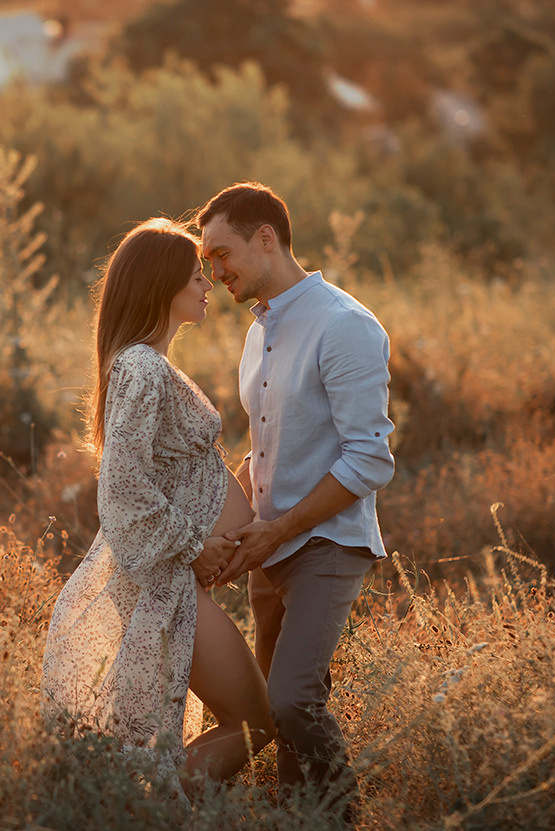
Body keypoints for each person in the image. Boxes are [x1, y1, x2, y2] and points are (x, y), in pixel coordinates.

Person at [42, 217, 274, 801]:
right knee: (253, 724)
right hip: (168, 585)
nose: (208, 284)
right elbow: (121, 483)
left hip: (178, 581)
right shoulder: (141, 367)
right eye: (195, 276)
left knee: (250, 721)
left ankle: (143, 810)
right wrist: (195, 546)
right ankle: (148, 813)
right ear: (161, 286)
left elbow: (172, 471)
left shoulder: (146, 363)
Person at [198, 182, 394, 819]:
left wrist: (279, 529)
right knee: (271, 712)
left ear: (266, 239)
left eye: (221, 254)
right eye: (207, 261)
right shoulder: (258, 333)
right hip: (268, 548)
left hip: (326, 543)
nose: (215, 271)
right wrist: (229, 528)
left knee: (291, 700)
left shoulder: (344, 325)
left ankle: (344, 818)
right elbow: (269, 447)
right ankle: (296, 816)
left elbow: (369, 458)